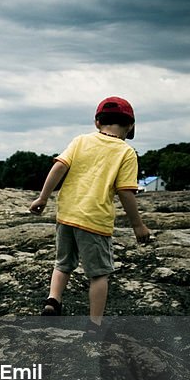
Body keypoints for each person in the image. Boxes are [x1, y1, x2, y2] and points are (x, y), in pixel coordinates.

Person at [29, 97, 151, 328]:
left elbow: (59, 166)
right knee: (99, 274)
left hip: (66, 214)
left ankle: (53, 300)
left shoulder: (81, 141)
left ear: (97, 122)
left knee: (62, 262)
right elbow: (126, 192)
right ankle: (95, 324)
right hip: (95, 220)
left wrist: (43, 198)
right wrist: (138, 225)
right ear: (131, 126)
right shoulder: (126, 153)